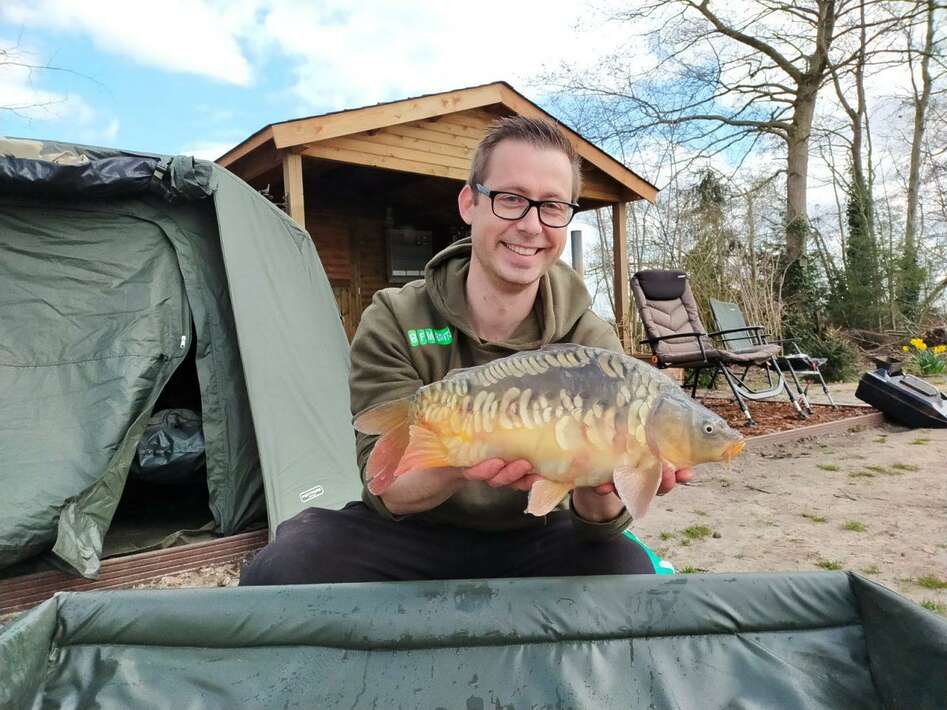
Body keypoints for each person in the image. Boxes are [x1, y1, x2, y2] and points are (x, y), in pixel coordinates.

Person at [240, 116, 692, 586]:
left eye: (552, 206)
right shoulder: (396, 317)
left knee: (629, 577)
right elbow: (386, 492)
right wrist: (467, 456)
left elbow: (600, 526)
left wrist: (603, 485)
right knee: (279, 569)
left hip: (537, 530)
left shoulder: (588, 340)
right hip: (414, 531)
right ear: (470, 202)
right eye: (511, 199)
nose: (531, 225)